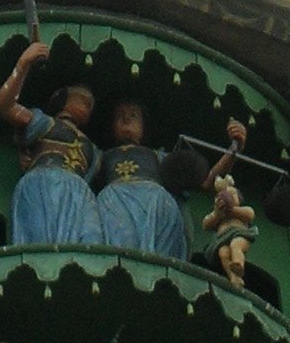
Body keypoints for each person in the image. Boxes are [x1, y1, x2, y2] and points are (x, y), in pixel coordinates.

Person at [88, 99, 235, 262]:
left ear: (144, 125)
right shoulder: (102, 157)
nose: (126, 119)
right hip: (114, 204)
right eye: (119, 115)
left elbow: (207, 181)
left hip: (154, 203)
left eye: (133, 115)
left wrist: (234, 150)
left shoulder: (158, 157)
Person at [0, 39, 104, 246]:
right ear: (63, 99)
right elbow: (3, 106)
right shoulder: (44, 123)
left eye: (90, 104)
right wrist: (23, 64)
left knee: (90, 243)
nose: (88, 105)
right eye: (81, 98)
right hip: (44, 184)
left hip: (79, 194)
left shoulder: (94, 151)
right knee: (42, 241)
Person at [200, 172, 257, 290]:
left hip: (239, 234)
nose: (229, 197)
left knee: (235, 245)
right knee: (223, 253)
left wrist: (232, 210)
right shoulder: (219, 215)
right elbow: (205, 224)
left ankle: (238, 263)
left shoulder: (241, 210)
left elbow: (250, 214)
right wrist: (217, 214)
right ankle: (233, 276)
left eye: (233, 194)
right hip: (222, 239)